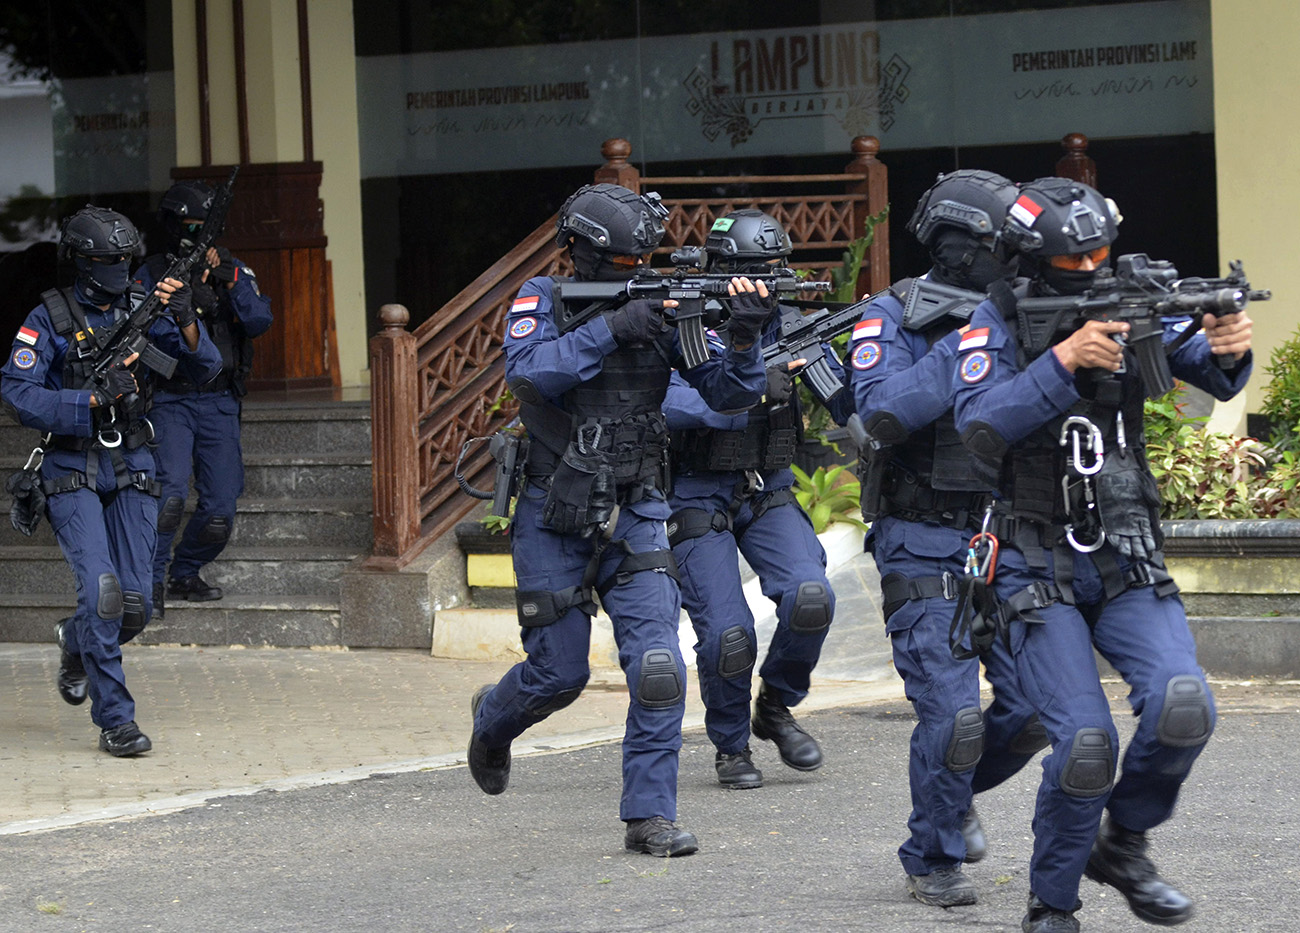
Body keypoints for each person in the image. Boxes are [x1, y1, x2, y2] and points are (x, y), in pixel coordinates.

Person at [952, 176, 1253, 931]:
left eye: (1099, 252)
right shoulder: (995, 317)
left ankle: (1124, 841)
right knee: (1086, 744)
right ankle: (1052, 900)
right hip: (1031, 558)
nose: (1091, 267)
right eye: (1072, 258)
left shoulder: (1128, 296)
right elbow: (980, 427)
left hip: (1124, 552)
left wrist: (1227, 349)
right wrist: (1061, 365)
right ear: (1028, 257)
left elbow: (1206, 369)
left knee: (1185, 705)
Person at [466, 184, 774, 857]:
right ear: (578, 250)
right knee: (559, 674)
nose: (636, 275)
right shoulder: (541, 299)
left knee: (660, 666)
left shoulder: (668, 303)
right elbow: (528, 375)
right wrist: (611, 328)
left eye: (643, 263)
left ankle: (649, 816)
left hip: (637, 506)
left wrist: (746, 336)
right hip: (554, 511)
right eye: (622, 265)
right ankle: (492, 721)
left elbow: (726, 395)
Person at [849, 170, 1048, 908]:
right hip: (922, 535)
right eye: (1008, 248)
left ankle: (952, 788)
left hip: (1006, 534)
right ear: (963, 246)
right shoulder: (890, 315)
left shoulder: (1027, 311)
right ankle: (931, 851)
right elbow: (879, 414)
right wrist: (972, 338)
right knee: (956, 714)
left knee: (1031, 710)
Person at [0, 206, 221, 755]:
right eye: (105, 260)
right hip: (72, 467)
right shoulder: (48, 316)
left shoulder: (144, 309)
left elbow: (206, 369)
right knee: (102, 593)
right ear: (80, 260)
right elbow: (17, 392)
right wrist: (91, 398)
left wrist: (188, 317)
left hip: (133, 464)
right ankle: (116, 720)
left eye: (124, 260)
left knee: (136, 605)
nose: (117, 270)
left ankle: (76, 643)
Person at [663, 209, 853, 790]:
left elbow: (846, 401)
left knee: (810, 595)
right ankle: (730, 744)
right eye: (755, 272)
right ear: (724, 272)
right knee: (727, 633)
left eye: (775, 269)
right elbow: (671, 404)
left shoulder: (790, 321)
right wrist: (753, 385)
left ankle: (775, 704)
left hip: (765, 488)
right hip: (697, 492)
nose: (768, 282)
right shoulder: (683, 321)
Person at [135, 181, 273, 616]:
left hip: (218, 401)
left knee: (220, 506)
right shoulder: (149, 273)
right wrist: (179, 299)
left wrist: (229, 280)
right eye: (193, 226)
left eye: (207, 228)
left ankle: (185, 572)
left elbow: (259, 321)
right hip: (171, 399)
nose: (200, 236)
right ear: (174, 225)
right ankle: (150, 582)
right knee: (170, 494)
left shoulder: (233, 270)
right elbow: (143, 334)